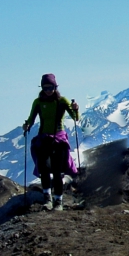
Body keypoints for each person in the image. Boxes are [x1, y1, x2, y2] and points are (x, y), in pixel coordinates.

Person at [23, 73, 81, 210]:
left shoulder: (62, 101)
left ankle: (58, 201)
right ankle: (48, 199)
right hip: (44, 138)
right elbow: (31, 118)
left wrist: (76, 109)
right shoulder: (38, 102)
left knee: (56, 171)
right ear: (42, 87)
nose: (48, 91)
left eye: (50, 87)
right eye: (45, 88)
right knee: (43, 169)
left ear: (55, 87)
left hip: (58, 139)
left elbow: (75, 118)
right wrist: (27, 125)